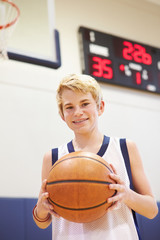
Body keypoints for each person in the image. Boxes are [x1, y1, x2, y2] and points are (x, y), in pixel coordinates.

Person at [33, 74, 158, 239]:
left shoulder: (125, 148)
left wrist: (127, 195)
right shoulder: (53, 157)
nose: (78, 112)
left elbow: (151, 211)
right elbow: (42, 222)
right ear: (62, 115)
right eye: (69, 107)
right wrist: (41, 209)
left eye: (85, 104)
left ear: (100, 107)